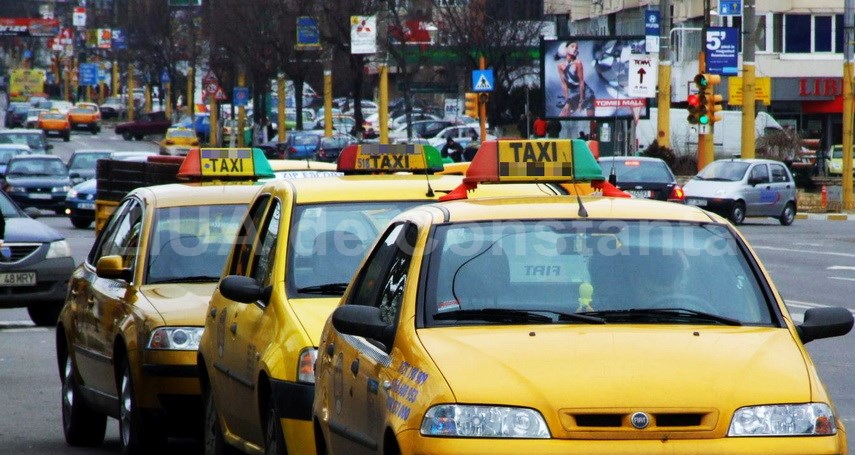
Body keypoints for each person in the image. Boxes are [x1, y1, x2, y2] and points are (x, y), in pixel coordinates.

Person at [556, 41, 595, 117]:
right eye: (572, 46)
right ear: (566, 48)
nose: (575, 49)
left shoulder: (578, 63)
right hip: (573, 93)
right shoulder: (560, 66)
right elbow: (564, 84)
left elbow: (581, 82)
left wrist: (581, 100)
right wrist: (567, 101)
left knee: (591, 119)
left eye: (576, 48)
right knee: (563, 114)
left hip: (585, 92)